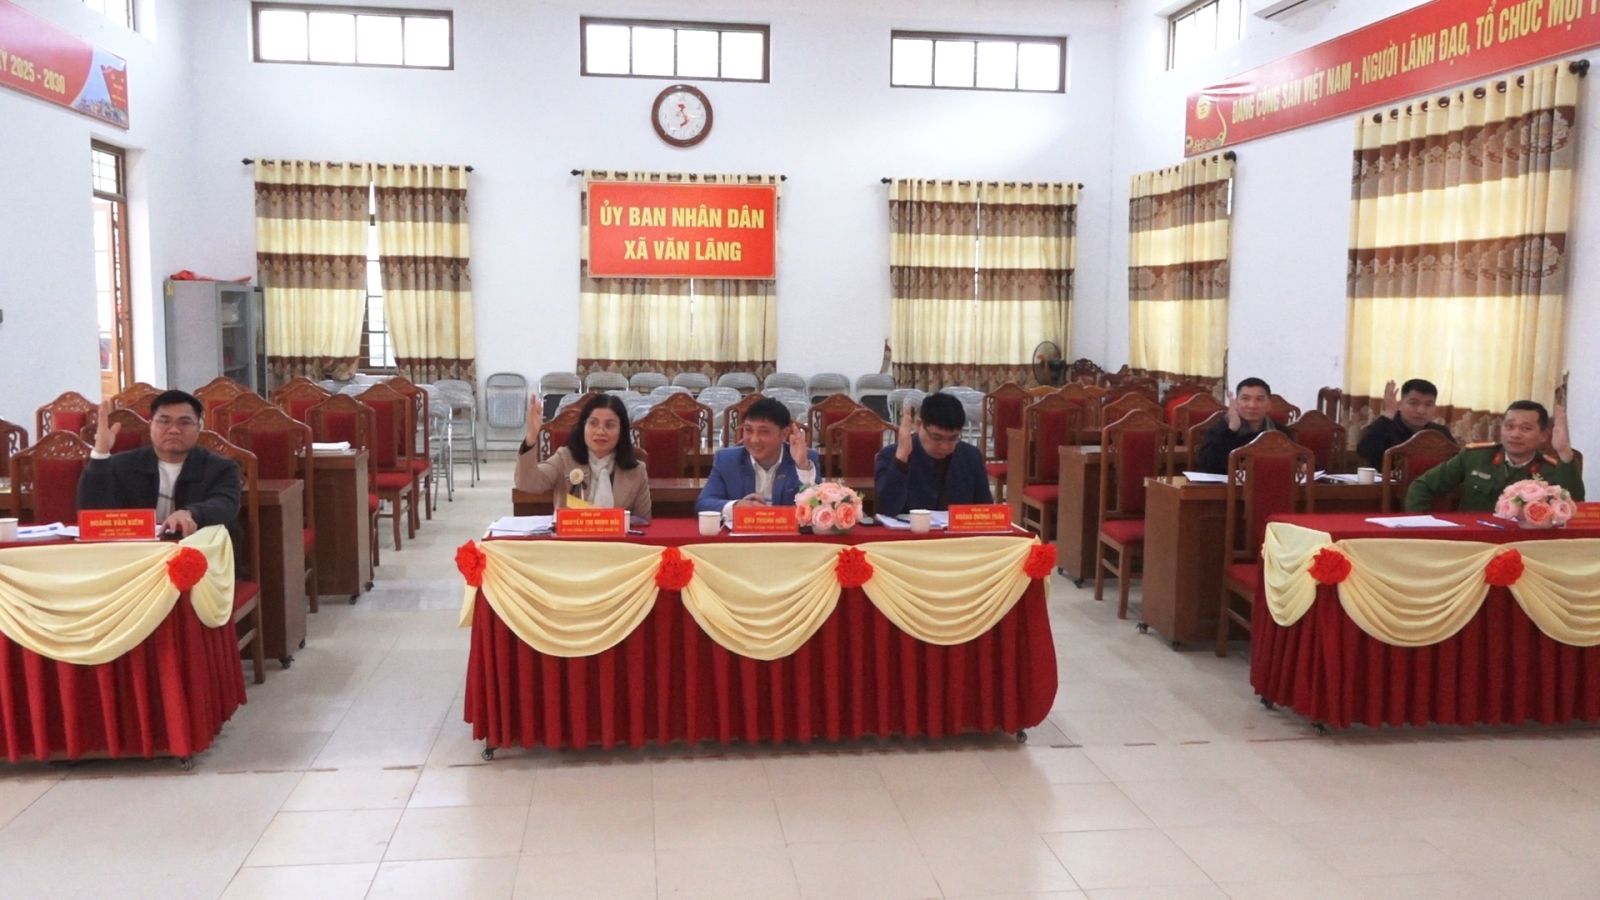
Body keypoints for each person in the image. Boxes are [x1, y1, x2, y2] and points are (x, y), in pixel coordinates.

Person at [76, 390, 240, 536]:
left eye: (184, 422)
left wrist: (191, 513)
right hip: (137, 551)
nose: (174, 430)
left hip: (194, 547)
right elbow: (91, 510)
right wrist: (100, 453)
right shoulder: (122, 465)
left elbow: (225, 504)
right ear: (150, 426)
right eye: (164, 421)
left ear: (198, 428)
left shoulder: (221, 468)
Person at [1406, 401, 1583, 512]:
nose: (1515, 434)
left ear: (1543, 435)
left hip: (1523, 545)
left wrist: (1564, 452)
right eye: (1509, 426)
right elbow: (1422, 486)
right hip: (1473, 541)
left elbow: (1574, 505)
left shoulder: (1552, 468)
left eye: (1525, 428)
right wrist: (1421, 525)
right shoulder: (1474, 457)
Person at [515, 393, 652, 519]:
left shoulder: (637, 471)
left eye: (609, 425)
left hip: (617, 538)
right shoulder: (564, 459)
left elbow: (643, 522)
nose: (600, 431)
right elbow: (528, 483)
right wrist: (531, 437)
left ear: (621, 432)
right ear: (583, 427)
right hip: (571, 537)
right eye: (593, 423)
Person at [695, 397, 820, 515]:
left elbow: (816, 506)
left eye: (764, 432)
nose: (754, 440)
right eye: (748, 430)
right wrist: (736, 506)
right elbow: (704, 503)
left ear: (784, 434)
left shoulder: (805, 458)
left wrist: (803, 468)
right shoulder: (727, 460)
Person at [874, 392, 992, 516]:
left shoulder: (971, 456)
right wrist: (902, 458)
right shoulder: (890, 455)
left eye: (953, 438)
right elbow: (885, 510)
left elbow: (986, 510)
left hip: (956, 528)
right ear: (919, 425)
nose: (945, 446)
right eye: (937, 438)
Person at [1356, 378, 1455, 468]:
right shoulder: (1385, 426)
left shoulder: (1439, 433)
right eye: (1413, 403)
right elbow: (1364, 451)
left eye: (1428, 404)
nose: (1421, 410)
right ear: (1400, 404)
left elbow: (1456, 462)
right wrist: (1389, 413)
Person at [1195, 377, 1287, 474]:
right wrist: (1231, 431)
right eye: (1245, 398)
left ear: (1269, 405)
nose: (1252, 405)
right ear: (1236, 402)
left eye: (1259, 399)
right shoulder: (1219, 429)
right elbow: (1209, 467)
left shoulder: (1281, 433)